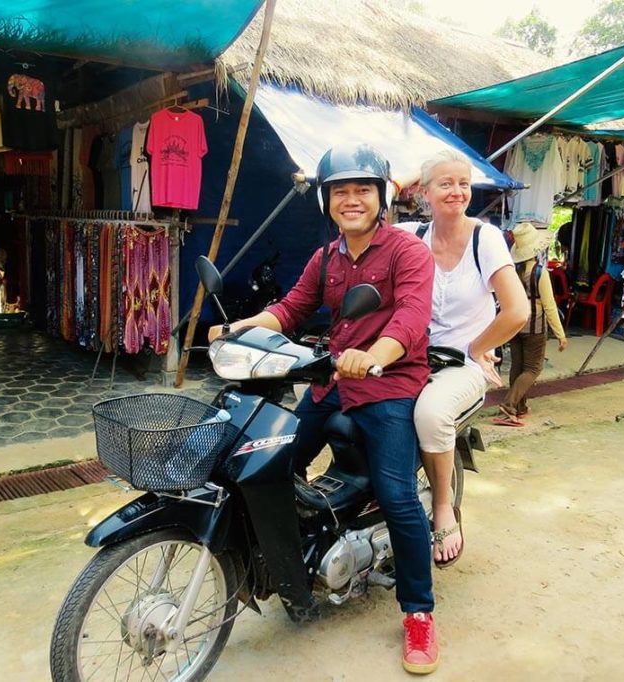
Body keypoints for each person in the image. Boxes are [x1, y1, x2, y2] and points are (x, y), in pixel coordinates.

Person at [208, 144, 440, 674]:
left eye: (362, 189)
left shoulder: (408, 252)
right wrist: (239, 328)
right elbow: (291, 309)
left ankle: (419, 613)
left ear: (381, 196)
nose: (351, 199)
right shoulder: (326, 257)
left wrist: (374, 355)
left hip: (390, 383)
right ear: (326, 200)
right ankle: (296, 562)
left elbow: (410, 317)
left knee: (399, 495)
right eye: (341, 191)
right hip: (331, 378)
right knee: (270, 458)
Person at [395, 149, 529, 568]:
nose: (457, 192)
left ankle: (442, 506)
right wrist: (412, 173)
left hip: (463, 366)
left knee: (431, 415)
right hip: (410, 359)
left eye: (464, 183)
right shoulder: (409, 235)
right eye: (445, 183)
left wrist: (476, 346)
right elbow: (362, 207)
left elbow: (517, 311)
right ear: (425, 191)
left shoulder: (484, 238)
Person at [495, 222, 568, 427]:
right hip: (534, 326)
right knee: (533, 368)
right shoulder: (539, 272)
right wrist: (560, 334)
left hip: (515, 324)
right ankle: (509, 404)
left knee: (518, 367)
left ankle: (520, 407)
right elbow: (550, 305)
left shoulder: (513, 271)